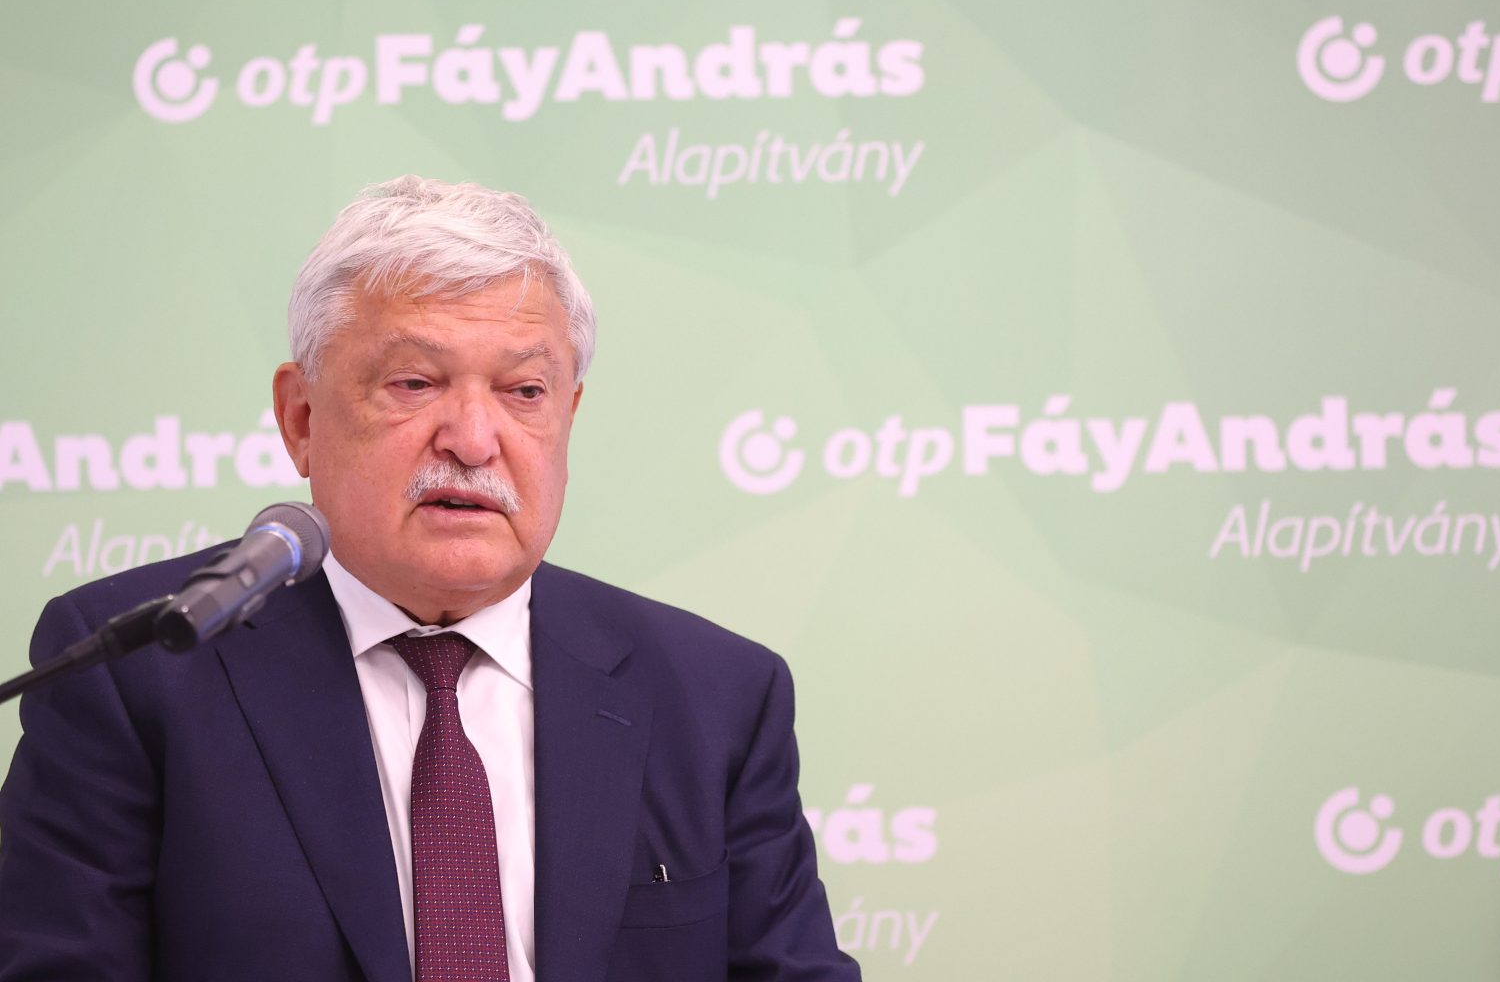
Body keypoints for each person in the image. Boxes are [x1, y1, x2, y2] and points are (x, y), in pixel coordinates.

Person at [0, 176, 858, 982]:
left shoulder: (715, 697)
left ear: (568, 416)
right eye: (414, 382)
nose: (474, 440)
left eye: (525, 392)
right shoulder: (141, 671)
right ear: (301, 418)